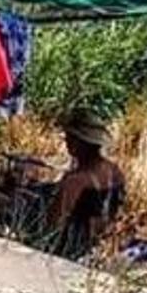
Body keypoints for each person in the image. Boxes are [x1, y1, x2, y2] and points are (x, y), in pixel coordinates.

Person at [49, 110, 125, 259]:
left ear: (77, 142)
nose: (66, 143)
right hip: (103, 245)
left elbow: (53, 223)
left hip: (75, 250)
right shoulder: (115, 171)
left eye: (69, 138)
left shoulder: (76, 181)